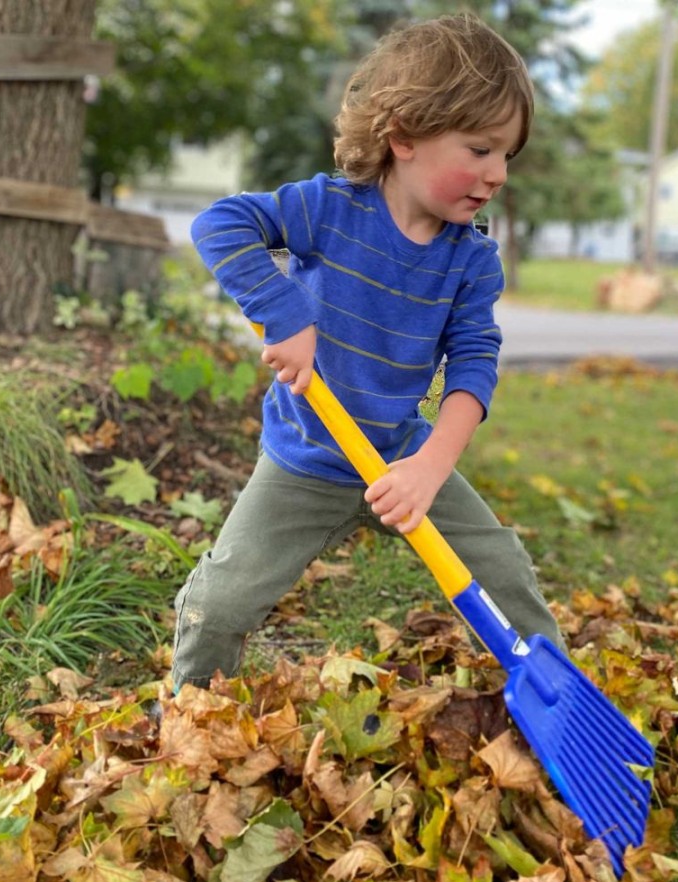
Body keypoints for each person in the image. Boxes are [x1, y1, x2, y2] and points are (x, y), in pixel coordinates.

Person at [171, 13, 564, 692]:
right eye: (480, 149)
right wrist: (286, 313)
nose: (498, 173)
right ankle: (188, 711)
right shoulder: (326, 211)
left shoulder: (470, 261)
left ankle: (558, 694)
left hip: (402, 454)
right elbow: (220, 224)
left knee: (504, 574)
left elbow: (475, 363)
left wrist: (429, 468)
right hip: (307, 458)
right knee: (224, 602)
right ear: (404, 135)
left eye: (508, 155)